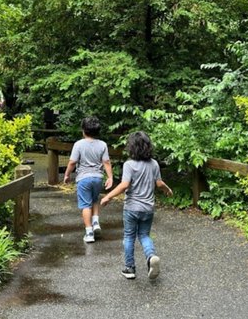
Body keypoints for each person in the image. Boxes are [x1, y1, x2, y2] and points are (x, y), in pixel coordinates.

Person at [100, 131, 172, 280]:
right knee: (144, 235)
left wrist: (108, 196)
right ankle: (151, 257)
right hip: (148, 208)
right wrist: (167, 189)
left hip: (132, 208)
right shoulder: (154, 164)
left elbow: (124, 185)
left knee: (129, 237)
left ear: (131, 147)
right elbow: (159, 183)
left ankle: (130, 268)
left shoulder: (129, 165)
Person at [64, 116, 113, 243]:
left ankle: (89, 232)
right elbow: (106, 162)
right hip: (97, 178)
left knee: (85, 204)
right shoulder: (102, 144)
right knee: (94, 199)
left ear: (83, 130)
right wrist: (110, 177)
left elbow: (72, 162)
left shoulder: (78, 144)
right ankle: (95, 221)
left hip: (83, 178)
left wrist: (67, 175)